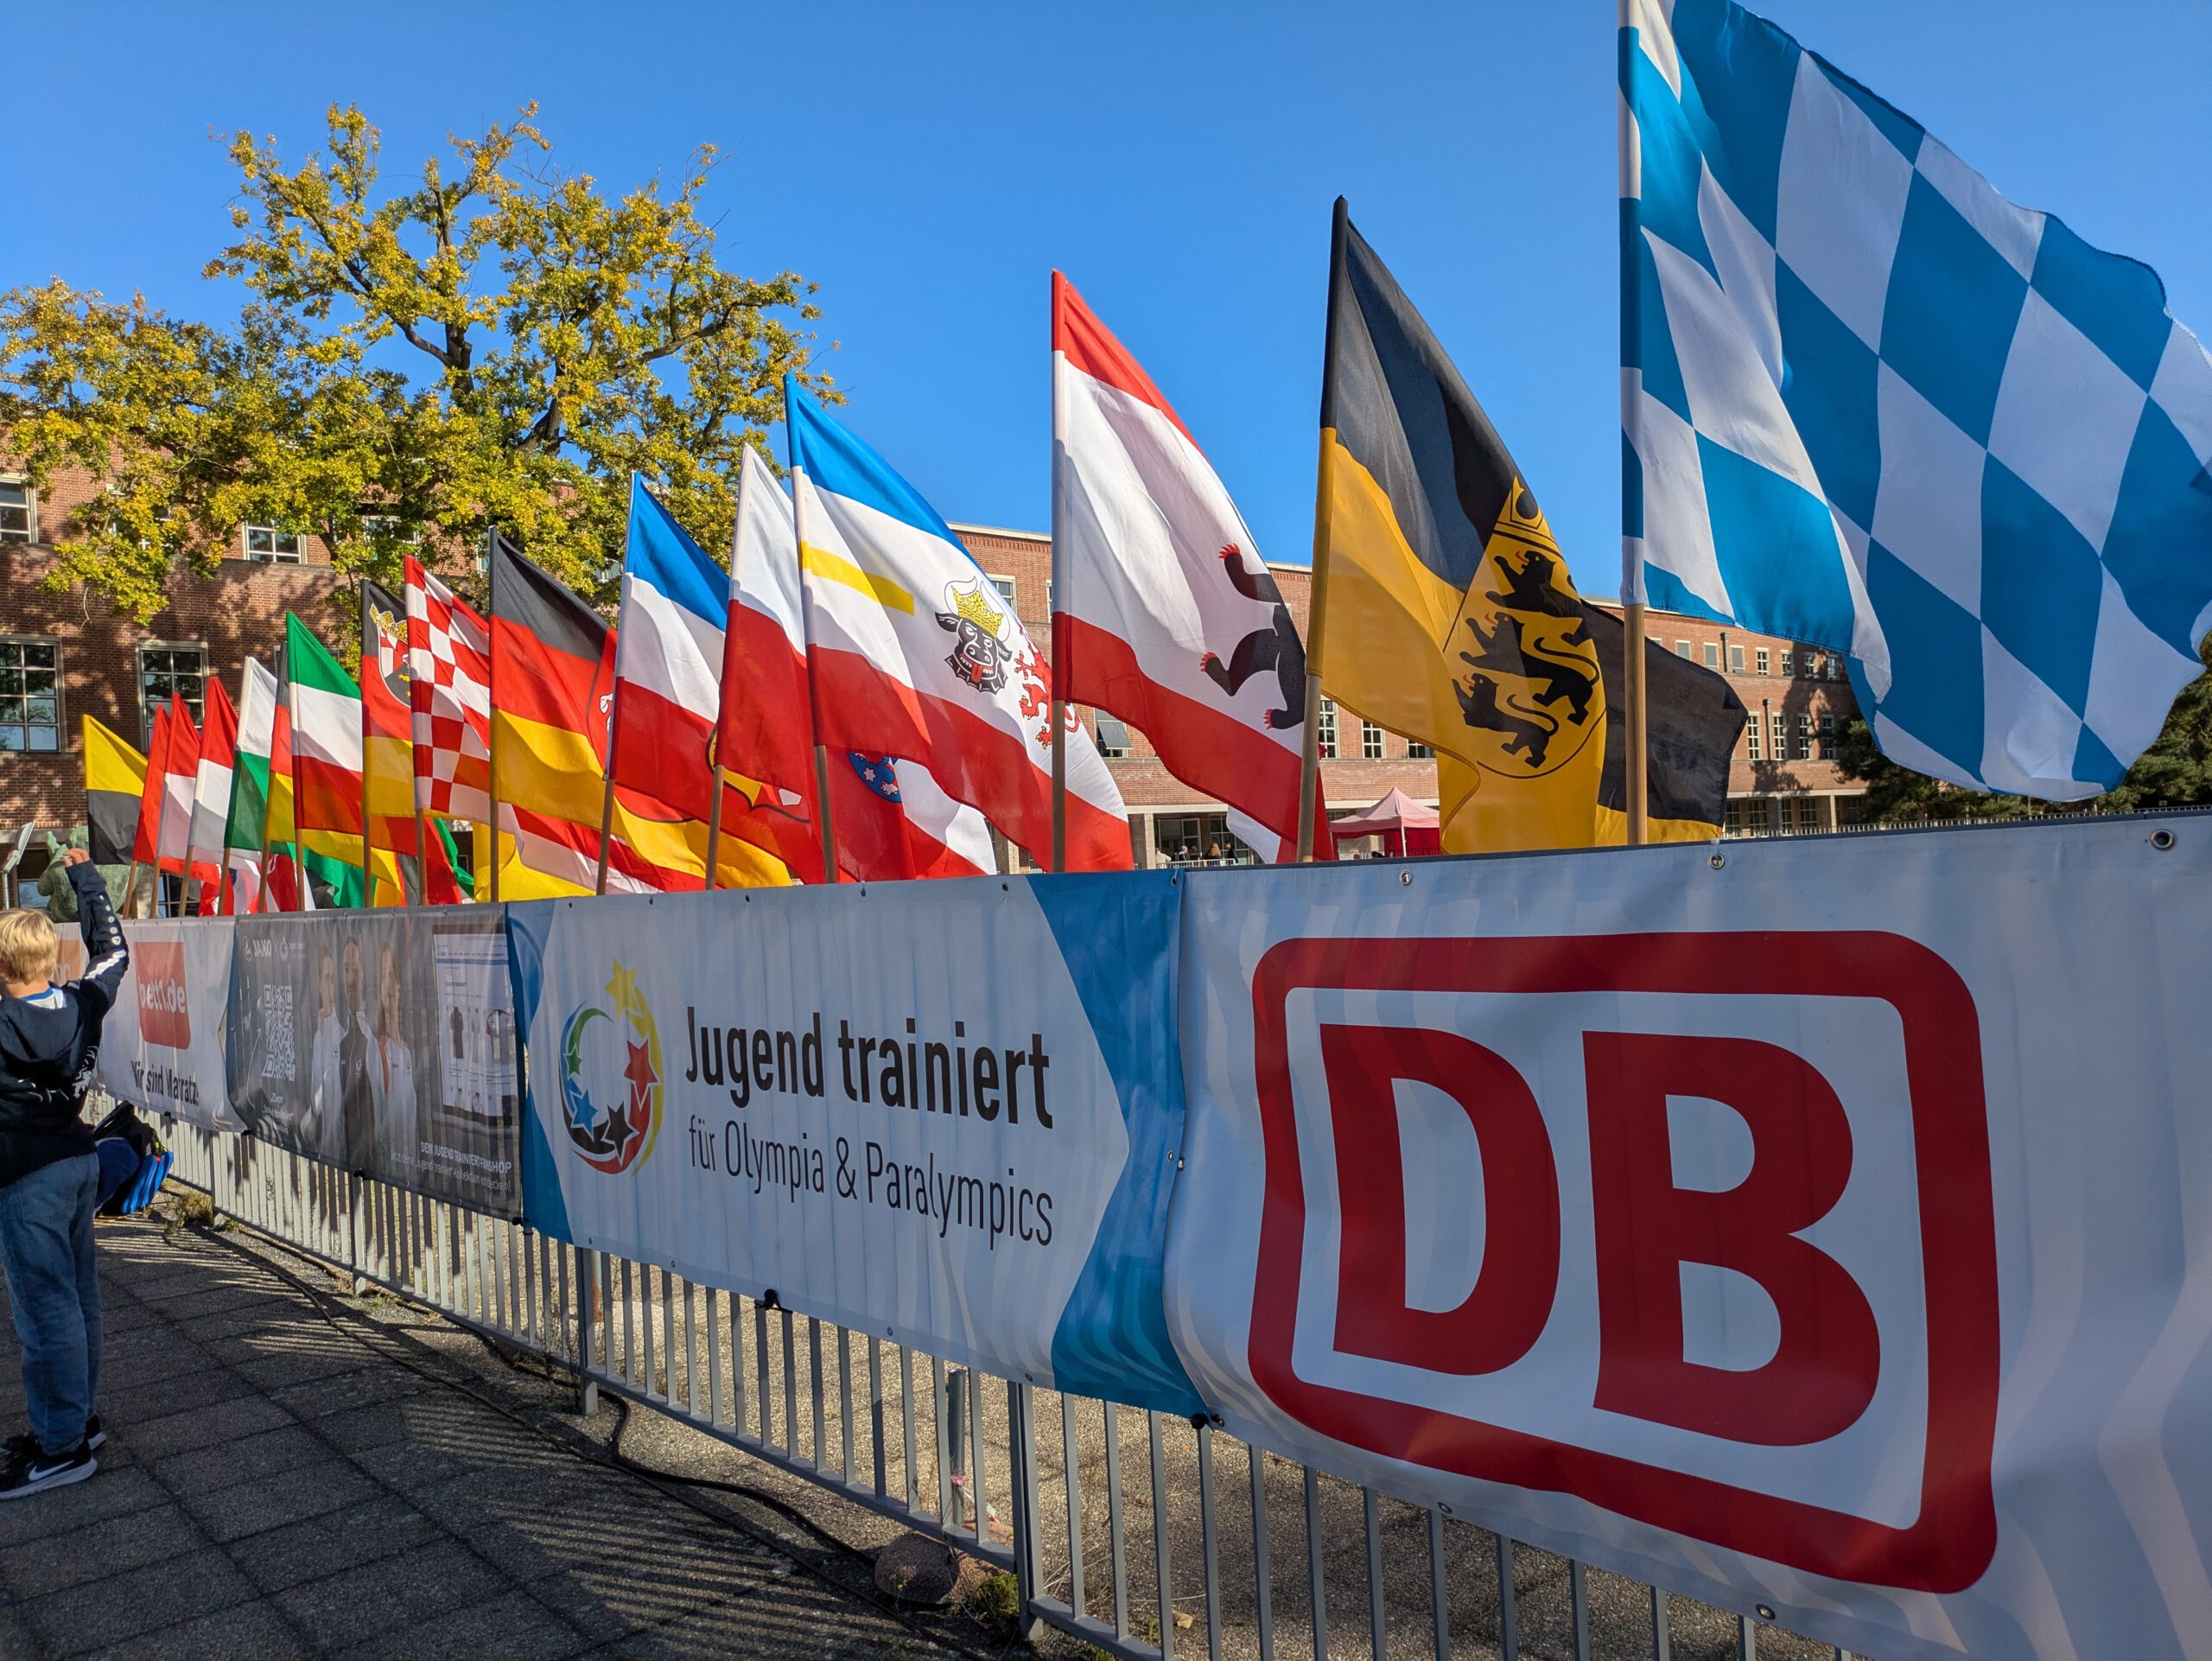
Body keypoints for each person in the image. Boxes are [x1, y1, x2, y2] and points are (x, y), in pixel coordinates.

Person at [0, 849, 128, 1499]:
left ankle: (62, 1449)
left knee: (46, 1311)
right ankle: (76, 1422)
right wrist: (88, 882)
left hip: (27, 1180)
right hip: (78, 1163)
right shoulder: (83, 1001)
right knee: (78, 1300)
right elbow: (114, 954)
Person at [370, 945, 416, 1172]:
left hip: (412, 1171)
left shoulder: (407, 1052)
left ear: (399, 986)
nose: (388, 983)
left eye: (391, 974)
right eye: (383, 975)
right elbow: (378, 1128)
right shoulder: (377, 1051)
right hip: (391, 1172)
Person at [337, 939, 376, 1172]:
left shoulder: (373, 1036)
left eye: (355, 970)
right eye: (346, 970)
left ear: (364, 977)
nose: (350, 978)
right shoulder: (340, 1038)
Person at [307, 948, 344, 1157]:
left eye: (333, 979)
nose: (331, 986)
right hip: (328, 1151)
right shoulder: (318, 1037)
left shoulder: (346, 1029)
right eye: (326, 979)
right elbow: (316, 1103)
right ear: (319, 985)